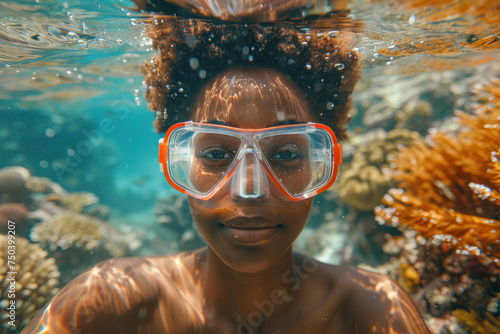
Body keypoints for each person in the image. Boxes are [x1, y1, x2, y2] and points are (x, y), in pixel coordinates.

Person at [22, 19, 430, 334]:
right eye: (216, 154)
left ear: (325, 164)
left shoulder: (373, 311)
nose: (248, 190)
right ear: (174, 162)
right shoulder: (107, 301)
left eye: (286, 154)